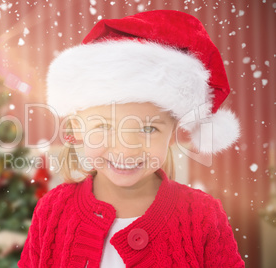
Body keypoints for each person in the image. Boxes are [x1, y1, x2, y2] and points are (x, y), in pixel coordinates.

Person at [18, 10, 244, 267]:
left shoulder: (203, 216)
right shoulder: (52, 211)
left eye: (148, 129)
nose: (125, 150)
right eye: (104, 126)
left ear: (172, 134)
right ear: (77, 129)